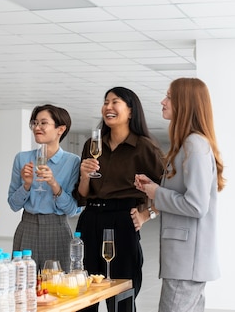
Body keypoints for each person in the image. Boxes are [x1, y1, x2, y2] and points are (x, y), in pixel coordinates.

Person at [135, 77, 225, 312]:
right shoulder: (189, 144)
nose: (162, 101)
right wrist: (153, 188)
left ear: (185, 103)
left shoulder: (194, 146)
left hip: (187, 261)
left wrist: (156, 192)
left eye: (169, 97)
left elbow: (196, 206)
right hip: (184, 260)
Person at [74, 86, 164, 312]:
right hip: (90, 220)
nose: (108, 107)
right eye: (106, 102)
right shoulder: (92, 145)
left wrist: (147, 214)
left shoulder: (145, 147)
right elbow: (82, 195)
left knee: (121, 299)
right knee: (85, 296)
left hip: (122, 222)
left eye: (115, 102)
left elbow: (167, 190)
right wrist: (84, 176)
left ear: (131, 112)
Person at [8, 104, 80, 271]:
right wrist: (26, 185)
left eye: (43, 123)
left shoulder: (72, 162)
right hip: (27, 227)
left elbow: (72, 210)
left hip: (58, 230)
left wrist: (54, 184)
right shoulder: (22, 158)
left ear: (60, 129)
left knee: (57, 287)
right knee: (22, 286)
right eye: (35, 123)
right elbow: (13, 205)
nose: (36, 127)